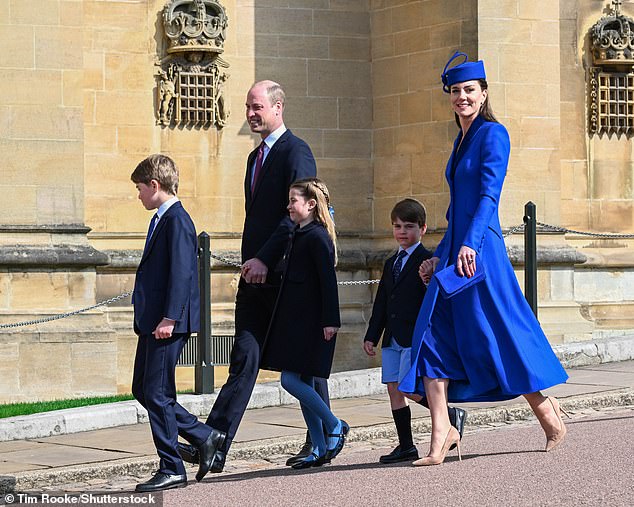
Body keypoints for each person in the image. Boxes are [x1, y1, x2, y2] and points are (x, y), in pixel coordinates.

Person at [399, 52, 570, 466]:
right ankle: (442, 433)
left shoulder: (494, 134)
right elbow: (456, 206)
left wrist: (469, 245)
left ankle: (547, 412)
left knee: (499, 332)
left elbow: (488, 197)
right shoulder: (459, 140)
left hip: (481, 252)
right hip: (456, 249)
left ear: (484, 92)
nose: (462, 97)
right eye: (456, 91)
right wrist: (438, 253)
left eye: (469, 90)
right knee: (433, 336)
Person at [177, 80, 331, 479]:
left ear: (278, 107)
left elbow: (295, 215)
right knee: (244, 357)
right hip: (255, 278)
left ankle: (324, 438)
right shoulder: (253, 159)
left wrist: (265, 258)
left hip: (285, 278)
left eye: (256, 107)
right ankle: (215, 443)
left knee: (304, 365)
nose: (249, 114)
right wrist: (252, 263)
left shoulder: (296, 151)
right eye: (247, 107)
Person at [130, 154, 224, 492]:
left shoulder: (178, 221)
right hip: (154, 321)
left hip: (168, 322)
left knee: (156, 392)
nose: (138, 194)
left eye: (140, 188)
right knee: (143, 388)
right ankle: (204, 436)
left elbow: (183, 274)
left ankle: (172, 466)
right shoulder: (162, 219)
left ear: (155, 186)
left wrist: (170, 317)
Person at [363, 199, 467, 464]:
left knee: (409, 388)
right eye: (397, 226)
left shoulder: (428, 259)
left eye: (408, 226)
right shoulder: (390, 263)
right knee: (394, 389)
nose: (402, 232)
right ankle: (406, 445)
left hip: (414, 334)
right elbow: (383, 303)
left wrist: (428, 279)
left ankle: (450, 415)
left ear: (422, 229)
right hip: (392, 336)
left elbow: (433, 298)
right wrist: (372, 335)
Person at [260, 178, 348, 469]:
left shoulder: (318, 236)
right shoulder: (299, 233)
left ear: (310, 205)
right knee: (304, 383)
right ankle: (319, 447)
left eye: (293, 201)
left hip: (312, 323)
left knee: (291, 380)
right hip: (295, 320)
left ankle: (335, 424)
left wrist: (330, 321)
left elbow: (327, 282)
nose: (288, 206)